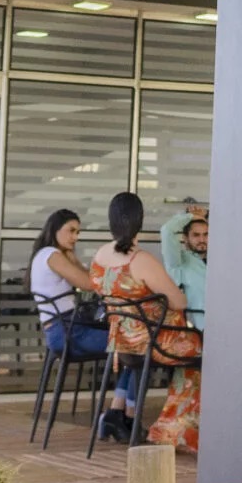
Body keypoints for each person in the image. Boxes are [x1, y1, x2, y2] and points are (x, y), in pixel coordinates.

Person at [89, 191, 202, 448]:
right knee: (200, 353)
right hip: (152, 343)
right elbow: (179, 302)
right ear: (139, 221)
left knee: (147, 358)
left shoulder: (100, 256)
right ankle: (172, 430)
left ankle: (121, 413)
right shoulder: (140, 260)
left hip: (121, 342)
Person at [28, 209, 108, 361]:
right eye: (71, 231)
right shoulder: (52, 255)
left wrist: (73, 260)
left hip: (64, 328)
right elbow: (88, 284)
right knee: (131, 342)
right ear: (55, 229)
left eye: (77, 232)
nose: (75, 237)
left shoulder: (43, 254)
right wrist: (75, 261)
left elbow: (88, 281)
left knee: (125, 340)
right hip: (68, 332)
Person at [160, 207, 208, 321]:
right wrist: (192, 216)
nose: (202, 239)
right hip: (195, 327)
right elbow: (167, 230)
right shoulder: (177, 261)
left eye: (206, 234)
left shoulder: (219, 260)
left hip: (223, 322)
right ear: (185, 238)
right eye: (196, 235)